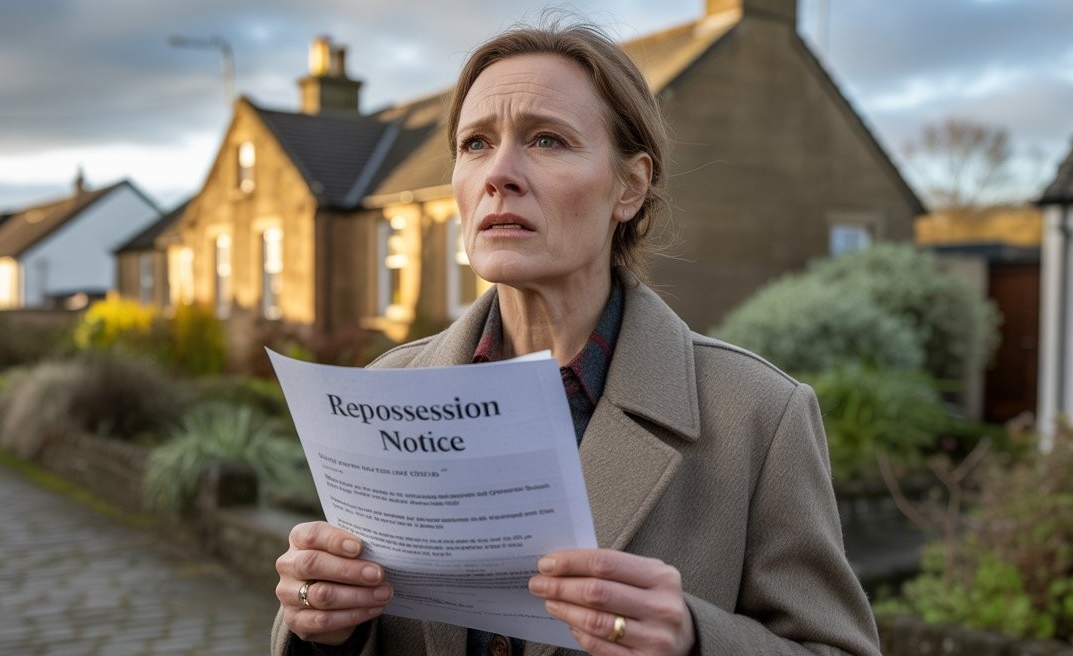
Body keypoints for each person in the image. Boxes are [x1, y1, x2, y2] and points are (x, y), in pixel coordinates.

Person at [271, 18, 881, 656]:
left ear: (630, 186)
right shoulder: (386, 390)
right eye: (475, 144)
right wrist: (326, 627)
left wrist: (697, 641)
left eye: (546, 140)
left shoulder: (759, 414)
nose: (498, 174)